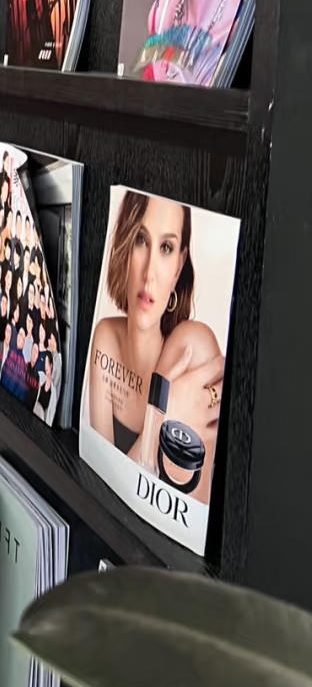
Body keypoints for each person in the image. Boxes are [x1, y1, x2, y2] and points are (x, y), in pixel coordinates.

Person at [87, 191, 223, 504]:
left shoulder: (194, 347)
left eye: (166, 248)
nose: (149, 272)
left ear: (179, 266)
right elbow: (102, 486)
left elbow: (188, 511)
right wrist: (164, 412)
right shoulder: (106, 337)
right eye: (141, 240)